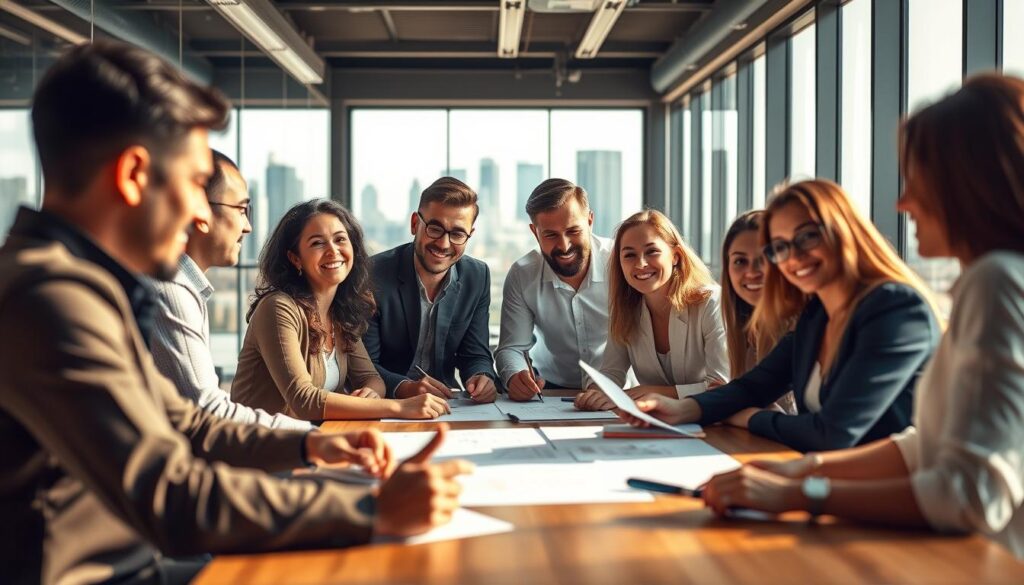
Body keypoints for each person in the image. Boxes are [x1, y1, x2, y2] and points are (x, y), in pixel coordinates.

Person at [0, 41, 471, 585]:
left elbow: (187, 423)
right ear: (133, 176)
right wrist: (370, 511)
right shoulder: (49, 298)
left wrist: (312, 443)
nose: (204, 213)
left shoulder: (83, 284)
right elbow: (170, 494)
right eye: (195, 184)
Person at [686, 74, 1024, 560]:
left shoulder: (996, 282)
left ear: (968, 185)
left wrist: (802, 494)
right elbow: (923, 445)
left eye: (918, 183)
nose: (902, 202)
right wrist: (798, 471)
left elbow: (969, 496)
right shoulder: (991, 280)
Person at [620, 179, 942, 453]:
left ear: (843, 231)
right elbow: (753, 387)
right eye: (781, 247)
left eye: (807, 237)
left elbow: (833, 433)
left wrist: (748, 418)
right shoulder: (817, 316)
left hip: (899, 498)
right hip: (836, 482)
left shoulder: (895, 309)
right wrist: (682, 409)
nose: (794, 257)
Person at [232, 199, 451, 420]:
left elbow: (370, 377)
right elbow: (303, 400)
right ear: (295, 258)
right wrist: (400, 407)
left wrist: (372, 393)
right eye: (318, 243)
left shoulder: (339, 311)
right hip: (261, 447)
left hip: (315, 440)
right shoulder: (278, 308)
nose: (333, 251)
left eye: (340, 240)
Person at [148, 150, 312, 430]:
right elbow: (207, 410)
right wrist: (311, 436)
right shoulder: (171, 289)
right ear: (199, 210)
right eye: (241, 209)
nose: (247, 226)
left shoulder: (186, 286)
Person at [575, 209, 729, 411]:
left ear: (676, 256)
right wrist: (597, 392)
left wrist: (659, 392)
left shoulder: (711, 303)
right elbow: (612, 372)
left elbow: (723, 385)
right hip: (656, 422)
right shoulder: (625, 309)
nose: (640, 263)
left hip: (713, 420)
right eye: (629, 255)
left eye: (652, 252)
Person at [364, 177, 499, 403]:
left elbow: (475, 354)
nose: (444, 244)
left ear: (469, 235)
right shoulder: (372, 275)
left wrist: (482, 376)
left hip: (447, 404)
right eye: (435, 229)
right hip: (386, 403)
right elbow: (364, 366)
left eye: (457, 234)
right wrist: (406, 387)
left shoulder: (477, 276)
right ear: (415, 223)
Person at [495, 178, 615, 399]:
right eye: (550, 235)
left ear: (590, 221)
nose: (564, 245)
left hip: (619, 391)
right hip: (550, 391)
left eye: (573, 231)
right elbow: (511, 347)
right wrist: (515, 376)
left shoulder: (620, 262)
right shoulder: (523, 273)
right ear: (535, 232)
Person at [720, 210, 796, 413]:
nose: (752, 272)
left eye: (764, 259)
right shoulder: (745, 324)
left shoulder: (804, 324)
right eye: (740, 261)